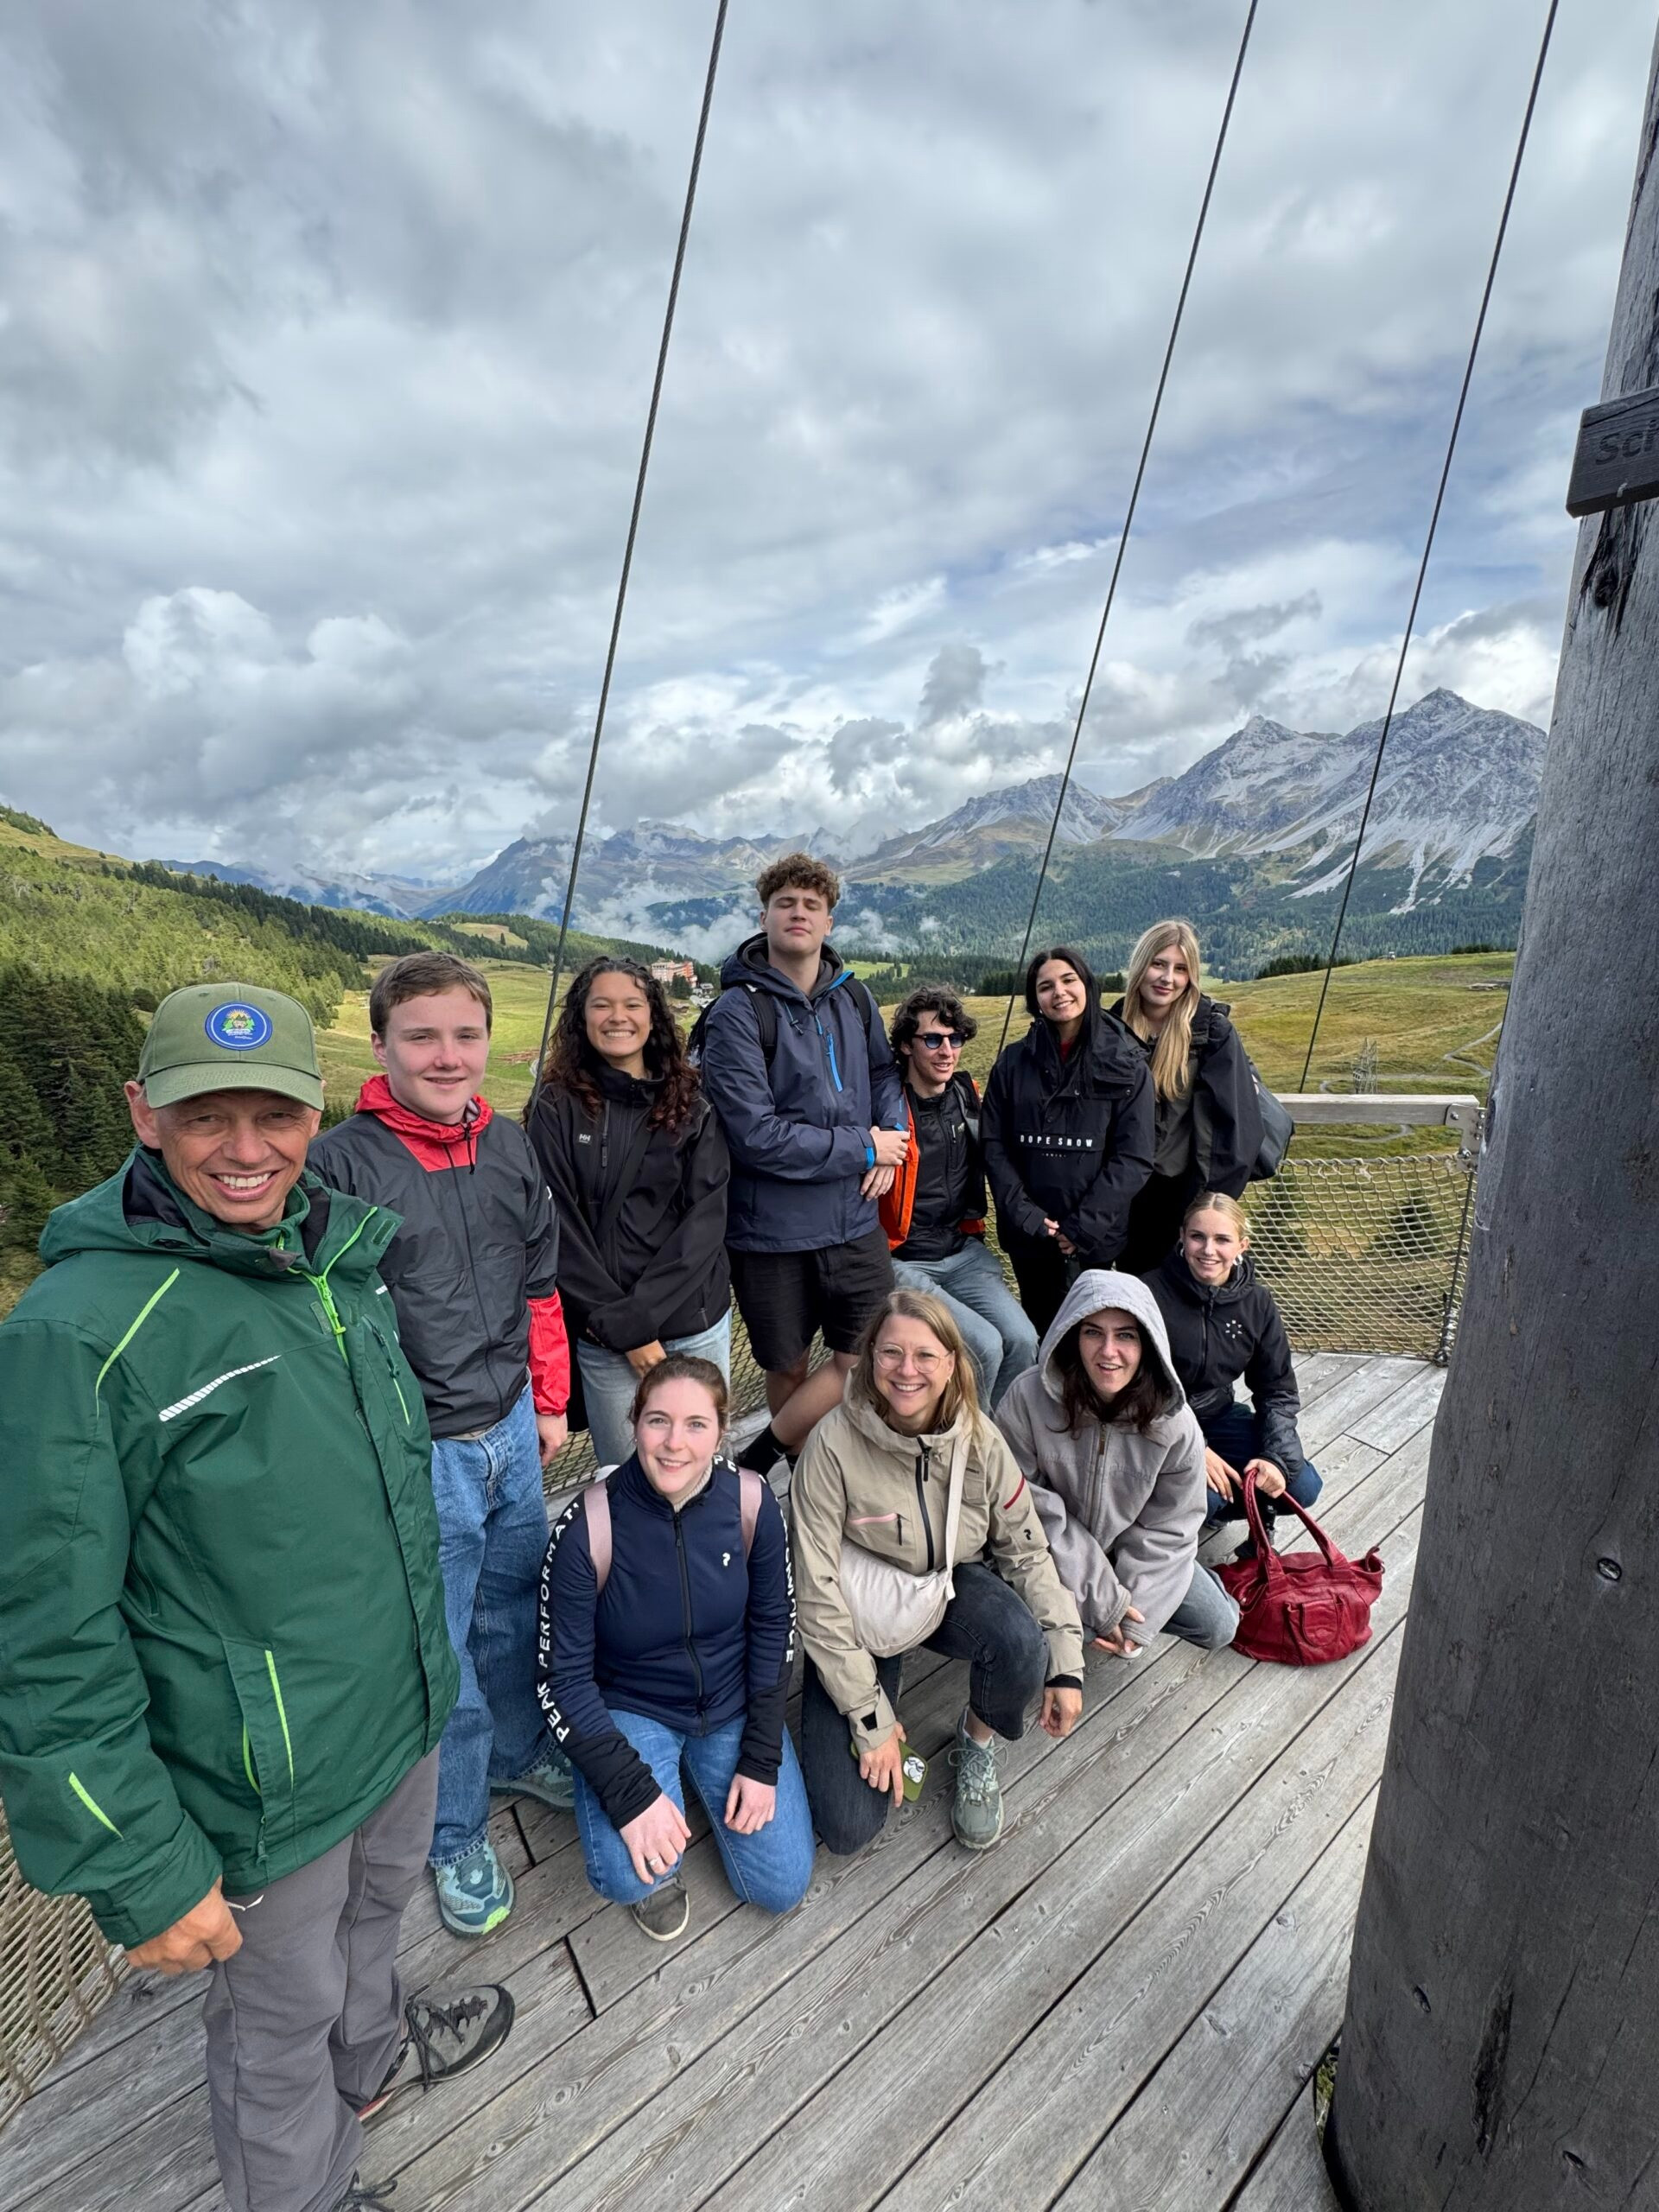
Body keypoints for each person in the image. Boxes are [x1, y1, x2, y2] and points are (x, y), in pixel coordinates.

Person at [0, 982, 512, 2212]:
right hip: (262, 1790)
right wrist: (136, 1861)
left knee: (379, 1921)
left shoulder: (333, 1256)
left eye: (273, 1114)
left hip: (396, 1720)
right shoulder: (80, 1332)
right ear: (142, 1112)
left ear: (315, 1107)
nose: (244, 1150)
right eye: (202, 1117)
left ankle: (376, 2060)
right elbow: (43, 1632)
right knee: (275, 2033)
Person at [310, 951, 575, 1942]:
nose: (447, 1054)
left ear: (489, 1044)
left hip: (511, 1423)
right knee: (445, 1646)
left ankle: (513, 1752)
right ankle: (454, 1830)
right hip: (422, 1450)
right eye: (422, 1035)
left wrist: (549, 1405)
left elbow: (540, 1283)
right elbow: (324, 1322)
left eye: (465, 1035)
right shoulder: (342, 1164)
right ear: (381, 1044)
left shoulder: (507, 1145)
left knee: (511, 1607)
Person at [790, 1288, 1085, 1858]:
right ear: (871, 1357)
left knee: (1025, 1645)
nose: (907, 1371)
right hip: (857, 1613)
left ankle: (975, 1740)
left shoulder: (980, 1441)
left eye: (925, 1355)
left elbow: (1026, 1550)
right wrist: (870, 1721)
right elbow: (816, 1591)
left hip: (943, 1587)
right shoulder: (831, 1445)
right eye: (891, 1353)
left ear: (952, 1363)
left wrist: (1067, 1661)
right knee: (847, 1827)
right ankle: (868, 1700)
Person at [537, 1356, 812, 1943]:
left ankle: (694, 1779)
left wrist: (761, 1759)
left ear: (721, 1431)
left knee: (782, 1885)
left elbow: (773, 1627)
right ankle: (656, 1782)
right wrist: (632, 1793)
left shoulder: (753, 1503)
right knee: (628, 1875)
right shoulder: (587, 1526)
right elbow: (561, 1680)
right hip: (634, 1706)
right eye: (658, 1421)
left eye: (695, 1425)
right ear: (633, 1420)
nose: (674, 1444)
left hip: (732, 1702)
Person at [696, 852, 909, 1475]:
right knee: (785, 1364)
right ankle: (799, 1476)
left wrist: (893, 1133)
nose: (798, 914)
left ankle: (773, 1459)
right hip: (772, 1234)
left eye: (811, 905)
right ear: (763, 917)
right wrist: (866, 1149)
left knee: (869, 1355)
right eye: (786, 904)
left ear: (829, 922)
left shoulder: (854, 997)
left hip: (853, 1220)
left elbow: (882, 1073)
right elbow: (756, 1136)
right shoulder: (737, 1012)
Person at [528, 957, 731, 1468]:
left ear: (652, 1016)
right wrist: (625, 1328)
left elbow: (704, 1220)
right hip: (606, 1336)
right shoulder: (554, 1108)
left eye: (632, 1004)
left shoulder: (692, 1102)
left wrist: (639, 1320)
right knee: (627, 1480)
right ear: (582, 1017)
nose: (617, 1017)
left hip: (693, 1324)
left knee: (702, 1473)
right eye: (602, 1004)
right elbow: (556, 1228)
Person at [996, 1269, 1239, 1658]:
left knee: (1219, 1625)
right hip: (1050, 1547)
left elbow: (1172, 1525)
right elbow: (1025, 1507)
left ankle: (1183, 1583)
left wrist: (1131, 1616)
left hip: (1131, 1542)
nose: (1108, 1351)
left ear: (1147, 1344)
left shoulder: (1174, 1421)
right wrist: (1102, 1600)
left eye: (1125, 1335)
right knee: (1024, 1632)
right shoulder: (1027, 1397)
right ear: (1073, 1336)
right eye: (1093, 1332)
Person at [979, 944, 1154, 1337]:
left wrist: (1081, 1228)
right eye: (1046, 986)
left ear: (1087, 985)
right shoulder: (1012, 1063)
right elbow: (994, 1142)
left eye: (1068, 980)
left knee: (1093, 1333)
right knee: (1040, 1328)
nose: (1059, 992)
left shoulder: (1126, 1062)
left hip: (1095, 1241)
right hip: (1030, 1237)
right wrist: (1026, 1215)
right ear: (1035, 999)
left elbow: (1135, 1156)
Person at [880, 985, 1038, 1408]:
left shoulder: (967, 1096)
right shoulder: (884, 1110)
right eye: (932, 1039)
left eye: (955, 1039)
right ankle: (969, 1443)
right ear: (906, 1047)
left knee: (1023, 1340)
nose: (946, 1050)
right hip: (903, 1258)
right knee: (984, 1345)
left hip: (962, 1250)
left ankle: (999, 1437)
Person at [1144, 1191, 1322, 1542]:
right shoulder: (1148, 1293)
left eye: (1222, 1239)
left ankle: (1214, 1513)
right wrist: (1194, 1447)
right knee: (1202, 1498)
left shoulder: (1257, 1302)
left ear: (1242, 1245)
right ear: (1182, 1238)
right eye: (1198, 1237)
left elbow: (1277, 1389)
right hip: (1156, 1421)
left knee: (1301, 1486)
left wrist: (1275, 1457)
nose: (1208, 1250)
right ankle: (1164, 1530)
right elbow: (1136, 1387)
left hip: (1217, 1411)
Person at [1110, 919, 1264, 1276]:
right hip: (1121, 1190)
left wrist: (1211, 1206)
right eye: (1158, 964)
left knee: (1181, 1292)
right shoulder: (1113, 1024)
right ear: (1140, 965)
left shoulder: (1209, 1029)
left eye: (1180, 969)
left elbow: (1238, 1126)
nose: (1168, 978)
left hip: (1181, 1193)